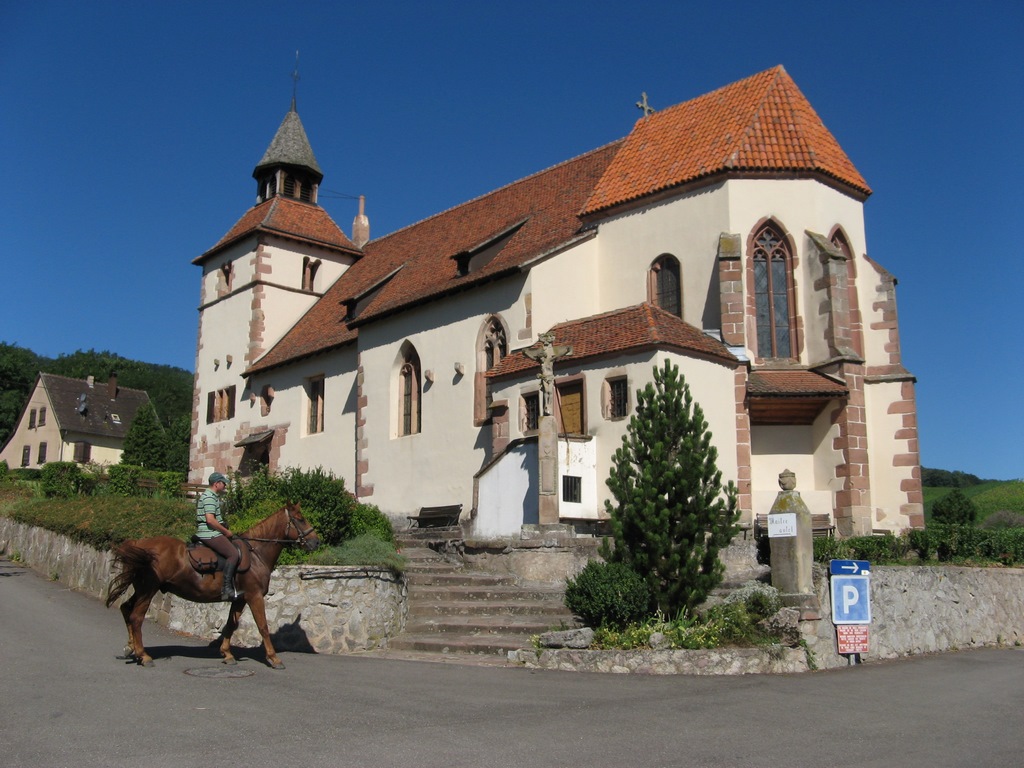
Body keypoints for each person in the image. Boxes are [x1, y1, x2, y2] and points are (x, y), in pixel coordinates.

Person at [195, 471, 240, 600]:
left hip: (210, 532)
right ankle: (226, 589)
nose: (225, 485)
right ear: (216, 484)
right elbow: (210, 520)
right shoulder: (209, 497)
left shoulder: (212, 496)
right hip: (209, 533)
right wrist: (226, 532)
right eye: (223, 483)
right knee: (233, 554)